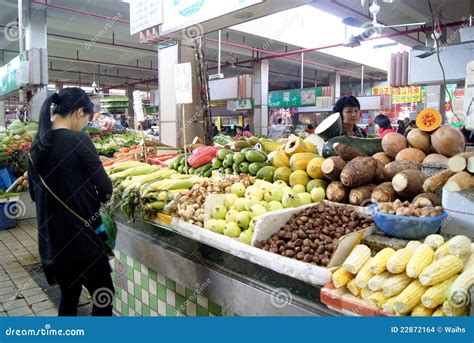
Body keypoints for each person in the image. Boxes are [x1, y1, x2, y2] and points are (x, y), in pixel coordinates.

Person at [28, 88, 114, 317]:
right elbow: (106, 189)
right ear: (78, 112)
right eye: (87, 119)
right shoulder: (78, 140)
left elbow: (36, 196)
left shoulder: (35, 147)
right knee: (104, 294)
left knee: (69, 297)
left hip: (52, 244)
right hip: (83, 240)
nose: (85, 124)